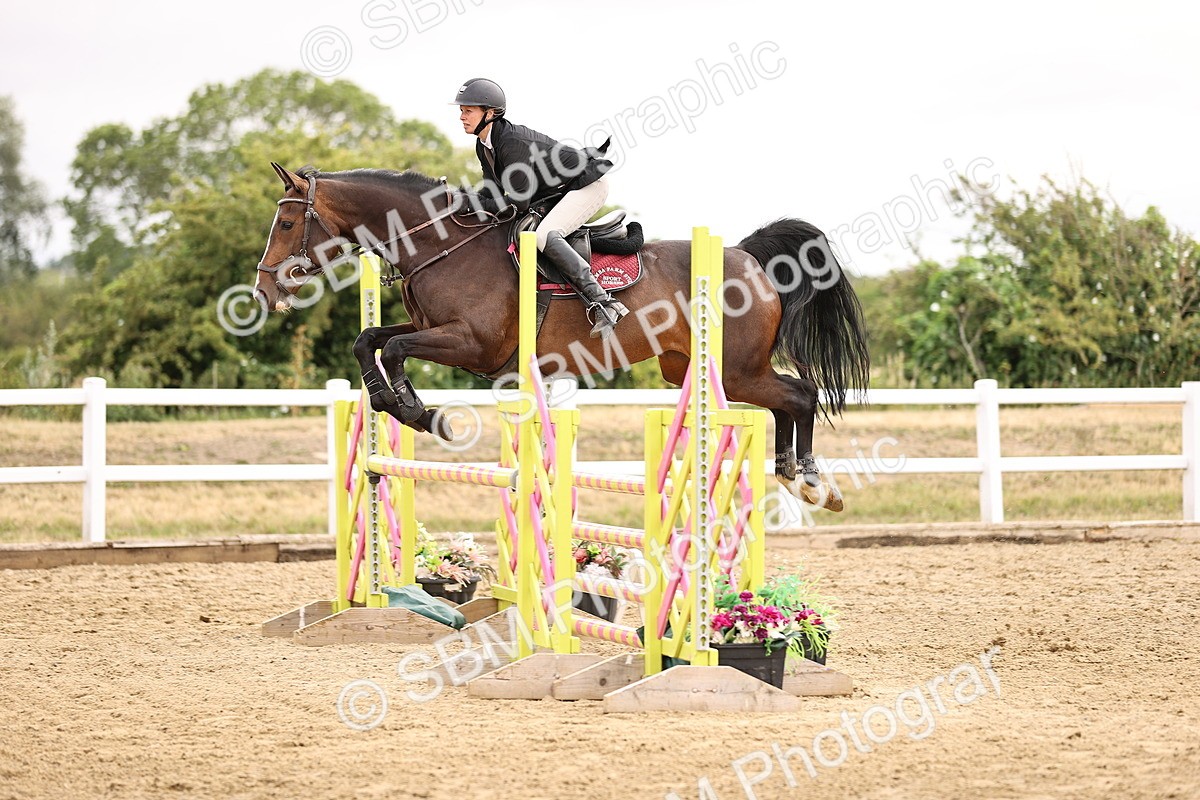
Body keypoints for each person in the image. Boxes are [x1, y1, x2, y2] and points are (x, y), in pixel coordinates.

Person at [453, 77, 629, 339]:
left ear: (490, 113)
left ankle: (605, 302)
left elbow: (518, 202)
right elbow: (492, 192)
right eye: (461, 111)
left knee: (544, 235)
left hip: (585, 185)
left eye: (468, 111)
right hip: (556, 191)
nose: (461, 117)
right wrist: (461, 203)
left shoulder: (510, 143)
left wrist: (471, 202)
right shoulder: (484, 144)